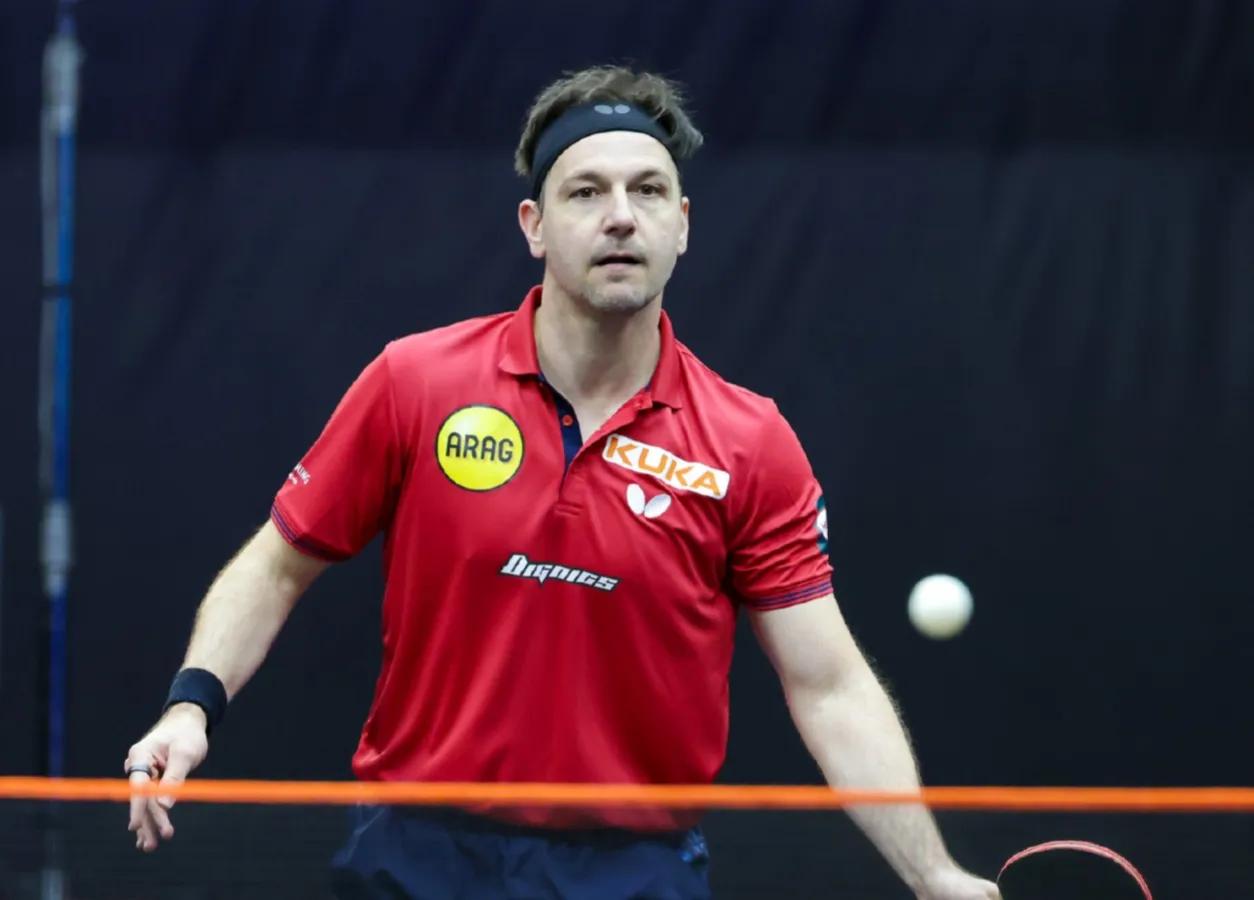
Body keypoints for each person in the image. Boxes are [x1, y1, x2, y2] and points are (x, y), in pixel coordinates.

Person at [123, 65, 1000, 899]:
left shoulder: (749, 442)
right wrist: (190, 707)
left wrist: (931, 873)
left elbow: (829, 685)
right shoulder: (415, 383)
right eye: (585, 192)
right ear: (534, 225)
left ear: (682, 224)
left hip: (635, 871)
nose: (620, 217)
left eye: (647, 191)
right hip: (417, 857)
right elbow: (277, 566)